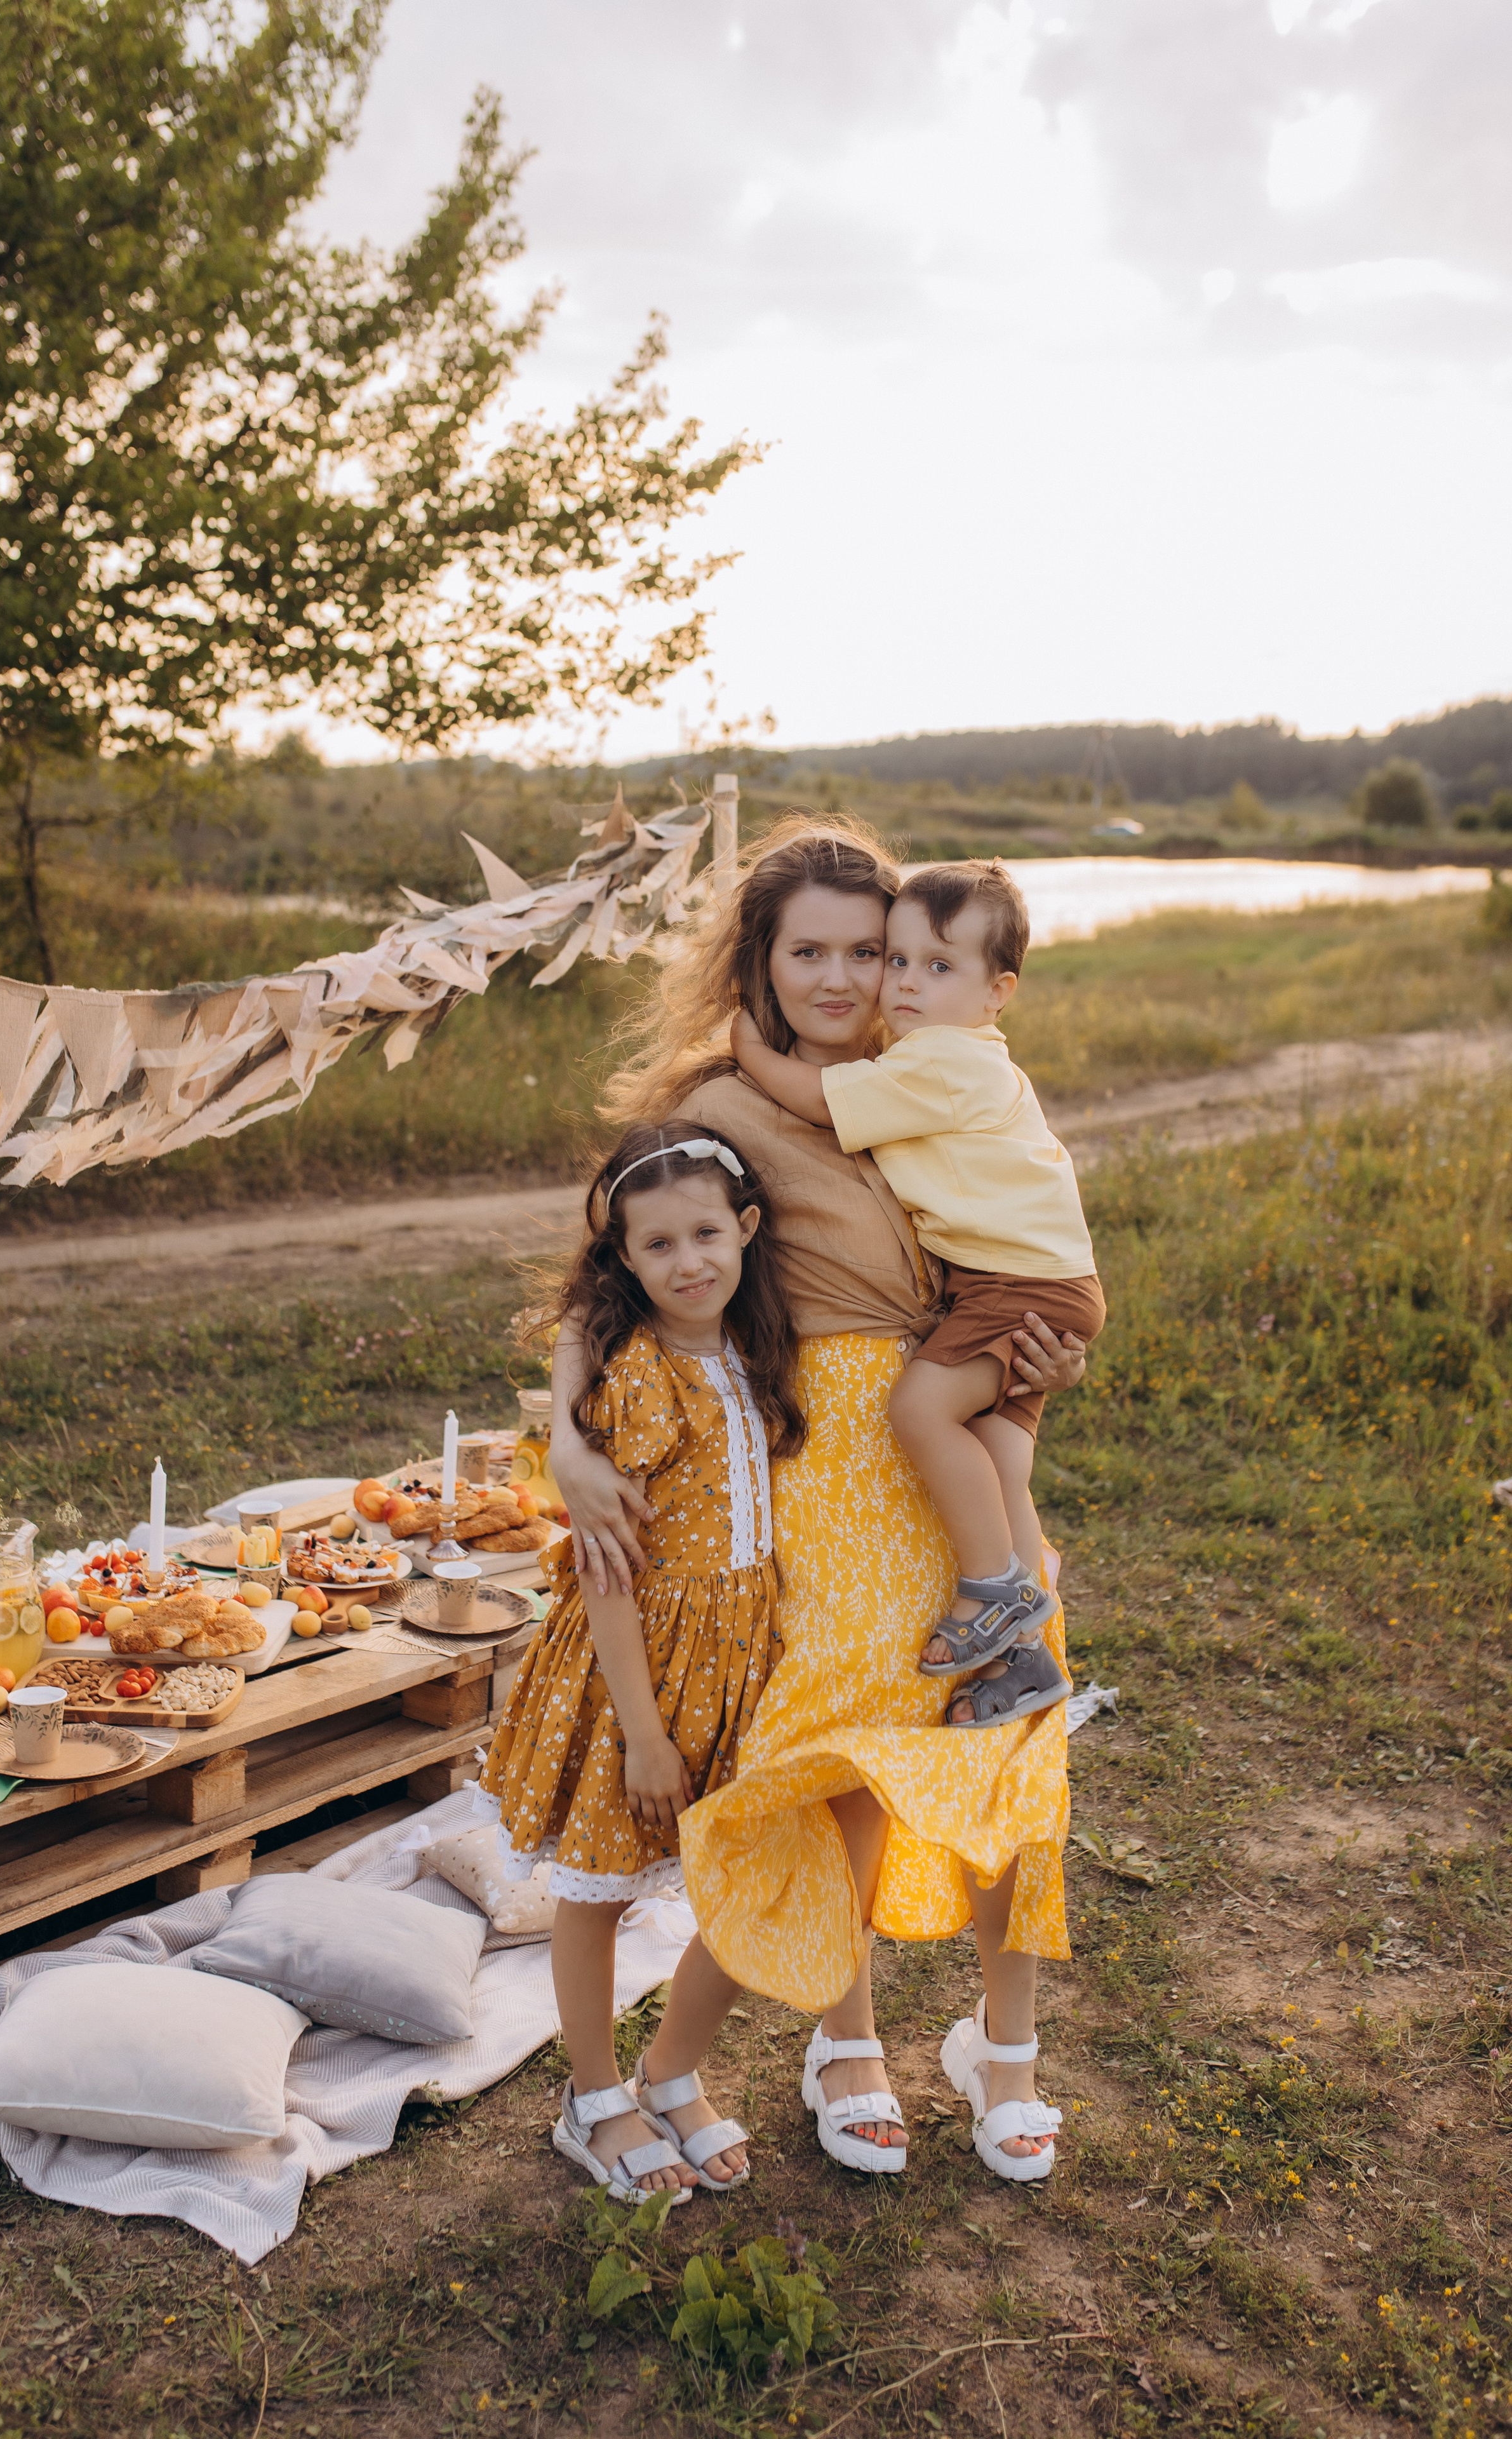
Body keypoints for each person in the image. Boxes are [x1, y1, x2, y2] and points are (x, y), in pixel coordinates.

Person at [550, 817, 1088, 2187]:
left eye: (870, 951)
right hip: (827, 1453)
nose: (845, 979)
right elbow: (598, 1281)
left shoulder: (940, 1071)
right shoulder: (719, 1104)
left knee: (1011, 1734)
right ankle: (844, 2040)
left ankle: (1004, 2048)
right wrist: (564, 1442)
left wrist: (1049, 1360)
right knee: (842, 1748)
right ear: (761, 960)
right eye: (811, 952)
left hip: (961, 1435)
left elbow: (1028, 1243)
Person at [476, 1120, 802, 2202]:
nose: (689, 1262)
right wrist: (645, 1735)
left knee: (749, 1875)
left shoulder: (757, 1351)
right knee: (601, 1888)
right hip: (638, 1673)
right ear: (624, 1259)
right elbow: (608, 1575)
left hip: (743, 1661)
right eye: (658, 1245)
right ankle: (594, 2097)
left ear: (746, 1227)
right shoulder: (638, 1380)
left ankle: (673, 2070)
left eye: (706, 1233)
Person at [730, 859, 1105, 1731]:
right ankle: (1025, 1660)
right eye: (896, 959)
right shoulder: (939, 1059)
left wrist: (748, 1050)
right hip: (1039, 1284)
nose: (900, 983)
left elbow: (820, 1102)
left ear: (997, 992)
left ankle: (996, 1591)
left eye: (934, 966)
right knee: (1001, 1466)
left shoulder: (938, 1060)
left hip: (1011, 1286)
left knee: (923, 1411)